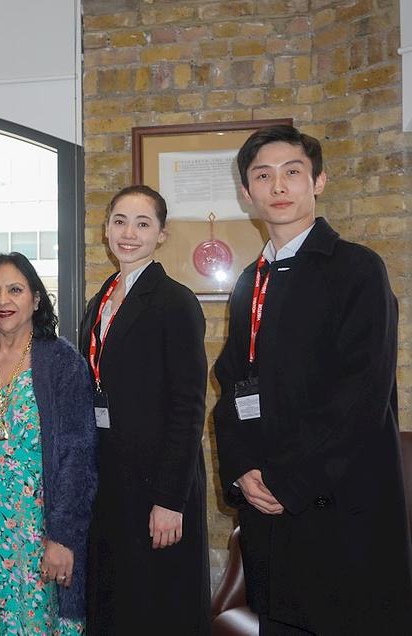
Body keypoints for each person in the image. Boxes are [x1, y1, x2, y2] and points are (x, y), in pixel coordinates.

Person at [214, 124, 412, 634]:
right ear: (246, 192)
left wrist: (289, 482)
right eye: (263, 175)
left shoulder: (357, 269)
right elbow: (231, 386)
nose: (278, 186)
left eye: (292, 172)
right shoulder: (249, 282)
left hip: (338, 513)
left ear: (318, 182)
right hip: (269, 515)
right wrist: (241, 470)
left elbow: (361, 397)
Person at [0, 252, 98, 634]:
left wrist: (63, 538)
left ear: (36, 299)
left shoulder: (64, 364)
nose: (2, 301)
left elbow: (79, 458)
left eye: (15, 290)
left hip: (38, 534)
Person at [80, 185, 211, 634]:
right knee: (115, 605)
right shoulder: (101, 301)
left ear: (161, 234)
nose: (129, 234)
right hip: (111, 482)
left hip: (159, 486)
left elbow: (188, 407)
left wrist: (171, 500)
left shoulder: (175, 301)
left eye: (142, 224)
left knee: (158, 609)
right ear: (106, 229)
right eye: (120, 222)